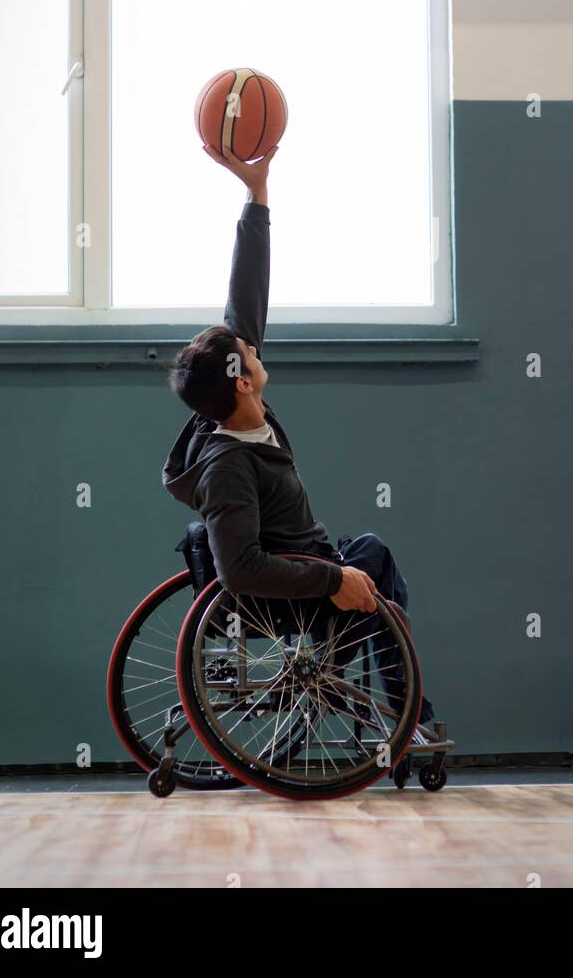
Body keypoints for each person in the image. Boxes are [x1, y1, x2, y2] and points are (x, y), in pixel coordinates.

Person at [162, 141, 435, 726]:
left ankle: (384, 695)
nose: (252, 346)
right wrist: (332, 578)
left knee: (369, 552)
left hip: (312, 569)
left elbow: (244, 302)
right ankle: (405, 712)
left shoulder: (240, 411)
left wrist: (255, 196)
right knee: (374, 558)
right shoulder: (227, 464)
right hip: (294, 600)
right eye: (245, 352)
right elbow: (240, 570)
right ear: (239, 381)